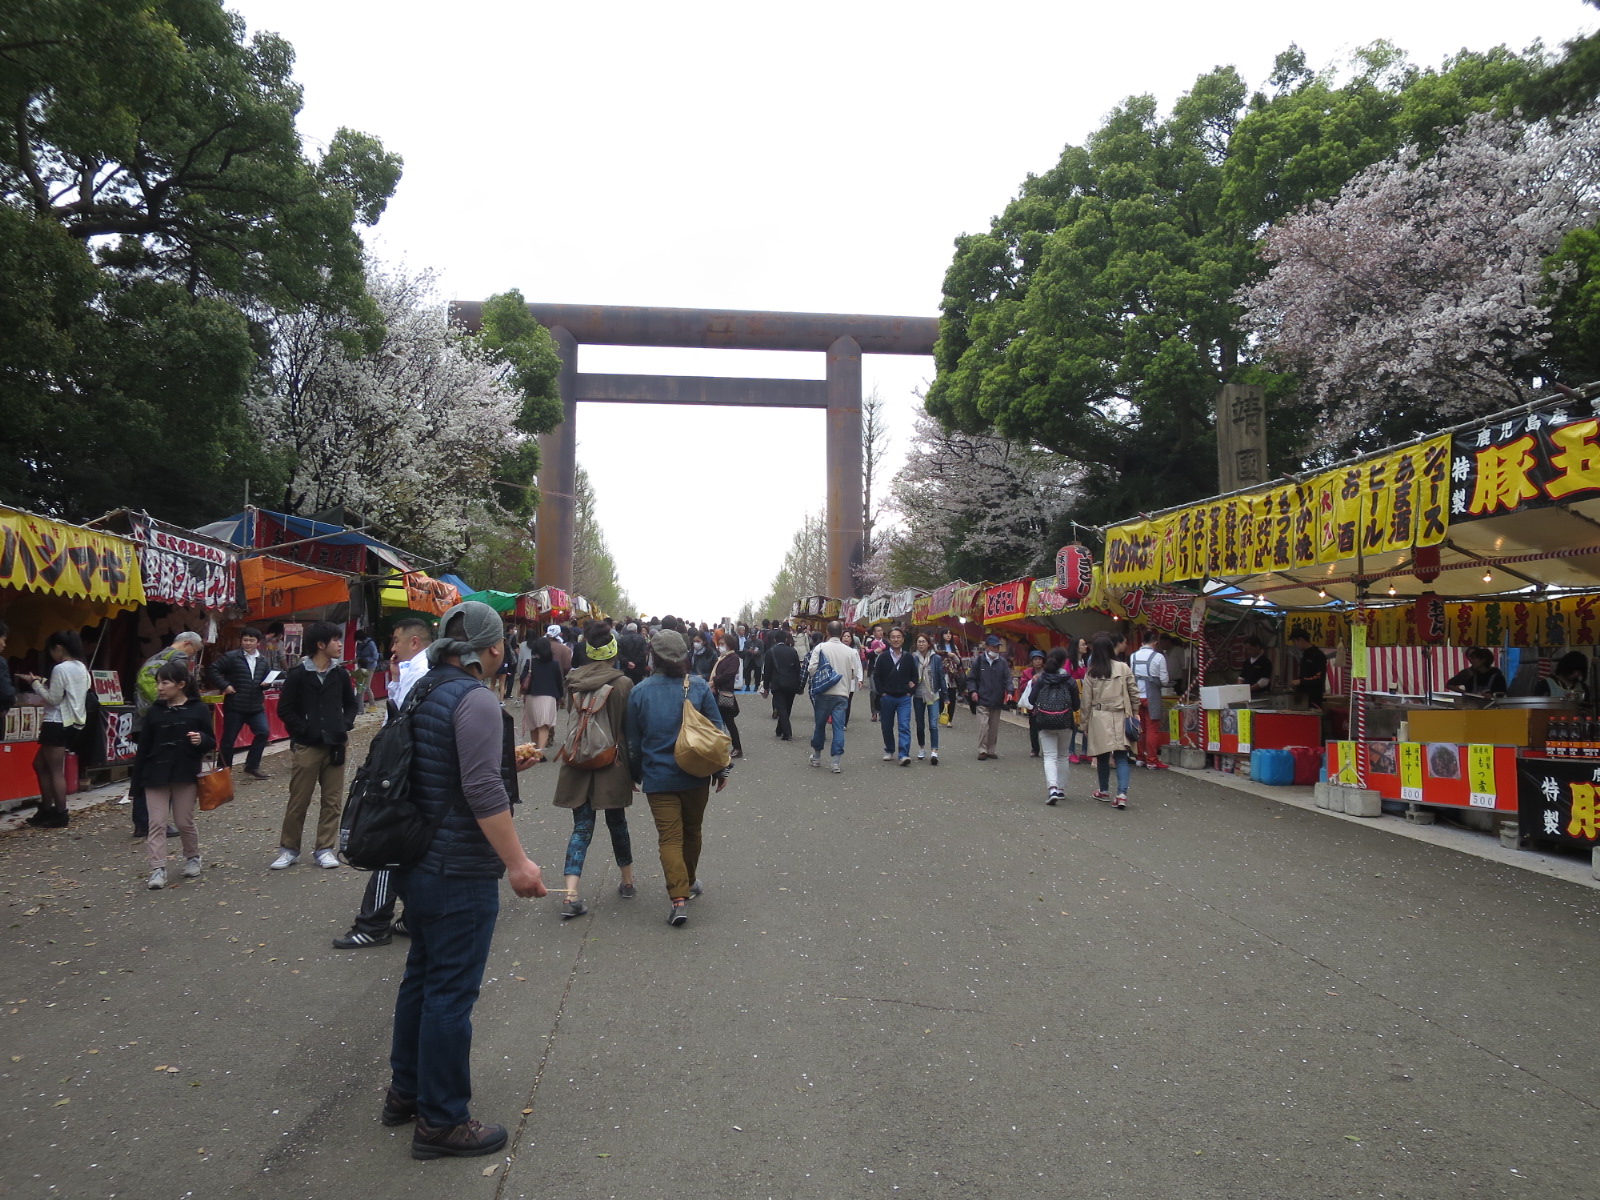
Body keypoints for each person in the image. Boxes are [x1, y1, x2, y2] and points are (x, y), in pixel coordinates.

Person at [384, 600, 548, 1160]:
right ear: (494, 647)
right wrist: (518, 862)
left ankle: (406, 1091)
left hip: (419, 858)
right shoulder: (475, 699)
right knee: (450, 993)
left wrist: (503, 762)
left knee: (422, 977)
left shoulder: (425, 688)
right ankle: (442, 1119)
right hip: (458, 868)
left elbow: (440, 768)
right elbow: (480, 789)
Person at [334, 617, 433, 950]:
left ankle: (374, 923)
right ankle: (414, 916)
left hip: (402, 770)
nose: (392, 647)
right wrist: (394, 679)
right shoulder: (413, 670)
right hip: (406, 769)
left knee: (388, 842)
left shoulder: (421, 672)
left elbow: (400, 720)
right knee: (409, 843)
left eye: (395, 640)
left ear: (414, 642)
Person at [624, 629, 729, 926]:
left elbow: (632, 741)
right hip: (696, 774)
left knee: (669, 837)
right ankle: (690, 881)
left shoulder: (639, 692)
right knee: (693, 831)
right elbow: (717, 731)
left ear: (653, 656)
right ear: (684, 656)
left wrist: (634, 774)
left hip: (658, 777)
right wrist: (721, 769)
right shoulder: (698, 686)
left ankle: (678, 899)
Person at [552, 622, 637, 917]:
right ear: (613, 652)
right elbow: (629, 730)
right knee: (618, 823)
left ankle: (570, 894)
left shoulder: (573, 681)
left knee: (581, 828)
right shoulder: (623, 684)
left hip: (577, 762)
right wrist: (635, 771)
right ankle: (627, 881)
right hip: (611, 762)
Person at [272, 620, 359, 870]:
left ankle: (324, 849)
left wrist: (344, 724)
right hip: (307, 746)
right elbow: (285, 709)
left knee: (332, 801)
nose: (340, 644)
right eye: (335, 640)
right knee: (299, 799)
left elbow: (351, 703)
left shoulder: (340, 674)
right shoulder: (299, 674)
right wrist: (303, 729)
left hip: (335, 745)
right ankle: (289, 849)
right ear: (321, 645)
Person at [134, 662, 215, 889]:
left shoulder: (198, 709)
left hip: (185, 773)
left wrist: (201, 739)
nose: (160, 688)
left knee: (183, 821)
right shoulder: (154, 711)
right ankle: (157, 868)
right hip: (155, 774)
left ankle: (192, 856)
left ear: (181, 684)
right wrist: (136, 784)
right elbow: (143, 748)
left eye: (165, 682)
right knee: (156, 823)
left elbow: (211, 741)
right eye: (158, 683)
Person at [19, 630, 92, 828]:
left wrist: (35, 684)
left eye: (51, 650)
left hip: (56, 721)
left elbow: (53, 698)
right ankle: (47, 809)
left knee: (54, 770)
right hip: (73, 722)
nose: (52, 654)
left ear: (58, 648)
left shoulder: (61, 668)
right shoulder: (82, 668)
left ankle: (60, 813)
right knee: (40, 765)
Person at [208, 626, 275, 779]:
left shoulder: (263, 660)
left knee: (263, 732)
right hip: (235, 705)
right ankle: (224, 770)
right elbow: (213, 669)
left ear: (258, 643)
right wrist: (224, 685)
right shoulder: (232, 657)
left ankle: (252, 766)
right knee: (228, 739)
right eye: (245, 640)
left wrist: (267, 684)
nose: (248, 643)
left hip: (255, 706)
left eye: (251, 640)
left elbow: (266, 679)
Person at [1018, 647, 1079, 805]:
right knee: (1063, 756)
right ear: (1064, 662)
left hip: (1044, 721)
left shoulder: (1041, 679)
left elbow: (1031, 700)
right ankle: (1061, 789)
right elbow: (1076, 705)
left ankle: (1052, 788)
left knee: (1050, 756)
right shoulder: (1069, 680)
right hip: (1065, 722)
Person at [1083, 632, 1138, 809]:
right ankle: (1121, 794)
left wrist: (1084, 724)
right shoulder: (1123, 668)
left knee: (1102, 756)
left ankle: (1104, 790)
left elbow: (1086, 702)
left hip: (1099, 716)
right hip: (1121, 714)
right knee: (1121, 756)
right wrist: (1135, 712)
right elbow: (1134, 692)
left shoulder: (1091, 673)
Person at [806, 620, 865, 773]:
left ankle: (817, 756)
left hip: (823, 692)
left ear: (827, 632)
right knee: (838, 727)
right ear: (841, 633)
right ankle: (836, 762)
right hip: (842, 694)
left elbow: (811, 669)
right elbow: (854, 673)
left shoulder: (820, 648)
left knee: (820, 725)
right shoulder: (850, 652)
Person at [873, 626, 918, 766]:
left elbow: (915, 676)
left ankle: (904, 754)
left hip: (904, 697)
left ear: (903, 639)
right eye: (893, 637)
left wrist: (911, 690)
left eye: (899, 637)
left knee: (904, 725)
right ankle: (889, 748)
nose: (896, 639)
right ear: (889, 639)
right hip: (887, 697)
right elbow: (876, 676)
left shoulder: (908, 657)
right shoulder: (883, 657)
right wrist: (882, 692)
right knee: (886, 726)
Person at [1129, 631, 1171, 769]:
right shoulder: (1159, 657)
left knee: (1139, 728)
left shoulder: (1133, 656)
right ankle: (1152, 760)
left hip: (1136, 696)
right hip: (1152, 696)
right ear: (1155, 643)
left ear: (1142, 643)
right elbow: (1164, 680)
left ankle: (1140, 757)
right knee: (1152, 729)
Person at [970, 635, 1012, 761]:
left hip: (997, 699)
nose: (996, 649)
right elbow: (971, 678)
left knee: (993, 727)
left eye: (997, 647)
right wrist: (973, 691)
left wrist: (1010, 691)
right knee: (983, 726)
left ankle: (991, 750)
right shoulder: (979, 661)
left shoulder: (1002, 662)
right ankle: (982, 750)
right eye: (994, 647)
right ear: (987, 647)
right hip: (982, 698)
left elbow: (1008, 678)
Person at [519, 637, 564, 753]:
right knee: (544, 726)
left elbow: (522, 679)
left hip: (531, 696)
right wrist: (561, 696)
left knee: (533, 726)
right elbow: (559, 682)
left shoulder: (530, 663)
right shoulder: (554, 664)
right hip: (549, 697)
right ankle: (540, 751)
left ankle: (534, 750)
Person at [912, 633, 945, 764]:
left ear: (928, 644)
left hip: (933, 694)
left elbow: (941, 676)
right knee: (920, 724)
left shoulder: (936, 658)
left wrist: (945, 695)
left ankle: (934, 751)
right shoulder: (914, 658)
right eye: (919, 642)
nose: (921, 644)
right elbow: (910, 675)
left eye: (923, 641)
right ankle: (922, 748)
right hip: (918, 695)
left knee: (933, 724)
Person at [762, 630, 802, 741]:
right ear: (786, 639)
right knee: (787, 707)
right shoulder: (792, 651)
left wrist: (766, 686)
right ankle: (780, 730)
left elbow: (767, 671)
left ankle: (787, 732)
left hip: (777, 683)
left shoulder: (770, 652)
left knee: (781, 707)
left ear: (775, 640)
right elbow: (797, 669)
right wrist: (799, 685)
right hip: (791, 683)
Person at [711, 631, 744, 758]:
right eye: (719, 644)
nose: (720, 646)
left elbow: (728, 674)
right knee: (717, 720)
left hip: (725, 692)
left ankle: (737, 747)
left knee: (729, 721)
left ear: (730, 644)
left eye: (723, 644)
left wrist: (713, 682)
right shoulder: (721, 658)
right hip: (716, 691)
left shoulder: (733, 658)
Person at [1065, 636, 1090, 764]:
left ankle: (1085, 751)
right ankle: (1070, 751)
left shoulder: (1085, 662)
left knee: (1086, 723)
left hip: (1085, 696)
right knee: (1074, 724)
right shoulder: (1069, 662)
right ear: (1076, 647)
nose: (1086, 646)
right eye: (1083, 644)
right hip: (1073, 696)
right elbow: (1066, 678)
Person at [1288, 629, 1328, 708]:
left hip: (1313, 698)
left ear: (1301, 639)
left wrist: (1300, 681)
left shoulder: (1318, 655)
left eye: (1294, 642)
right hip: (1303, 697)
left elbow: (1318, 678)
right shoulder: (1305, 655)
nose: (1295, 645)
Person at [1019, 648, 1046, 756]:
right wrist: (1032, 681)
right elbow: (1022, 686)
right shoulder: (1027, 672)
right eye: (1035, 659)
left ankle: (1047, 749)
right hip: (1033, 702)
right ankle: (1035, 749)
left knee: (1045, 727)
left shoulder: (1047, 671)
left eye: (1040, 659)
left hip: (1045, 701)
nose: (1038, 661)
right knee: (1033, 726)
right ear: (1031, 661)